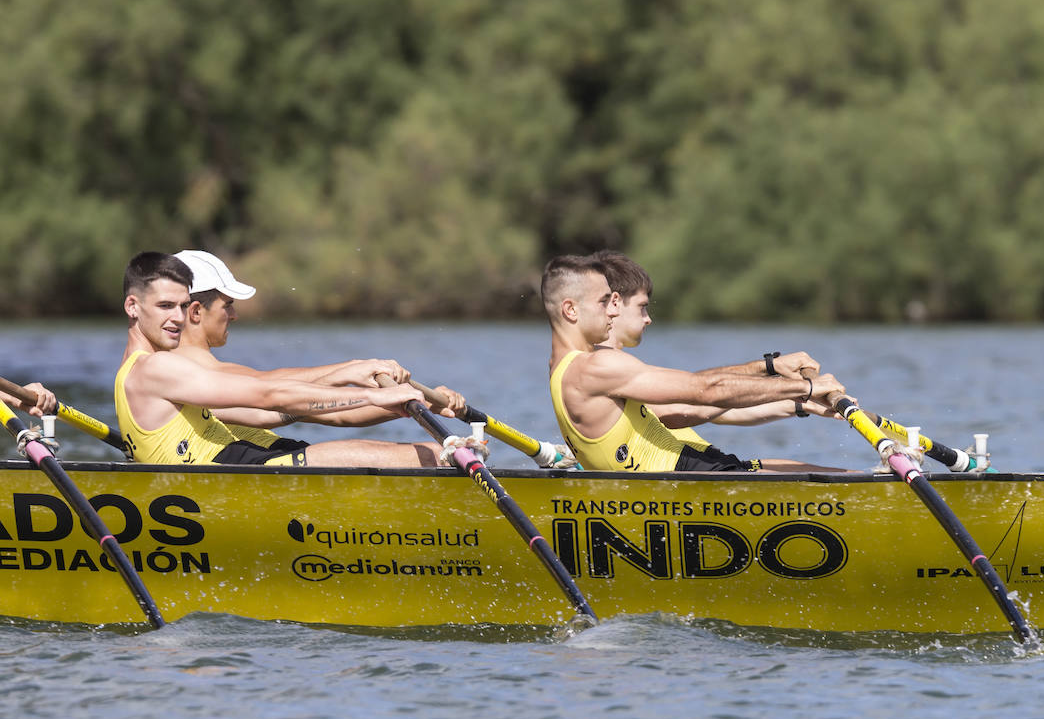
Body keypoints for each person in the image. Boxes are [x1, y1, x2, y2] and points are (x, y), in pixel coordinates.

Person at [116, 251, 477, 467]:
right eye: (166, 307)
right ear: (133, 306)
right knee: (433, 456)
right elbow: (268, 392)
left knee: (431, 453)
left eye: (179, 306)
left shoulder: (159, 369)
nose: (177, 317)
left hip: (243, 469)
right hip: (232, 482)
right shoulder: (158, 367)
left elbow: (280, 409)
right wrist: (367, 388)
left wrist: (411, 399)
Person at [543, 254, 845, 472]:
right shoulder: (595, 367)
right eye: (602, 302)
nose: (611, 311)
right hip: (681, 478)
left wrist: (777, 375)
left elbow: (698, 388)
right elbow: (705, 391)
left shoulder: (561, 367)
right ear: (570, 310)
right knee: (838, 485)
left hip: (684, 470)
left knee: (835, 477)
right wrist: (805, 388)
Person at [589, 250, 838, 431]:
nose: (648, 319)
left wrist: (800, 405)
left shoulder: (624, 365)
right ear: (615, 302)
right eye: (643, 307)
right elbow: (690, 407)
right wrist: (779, 375)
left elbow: (721, 409)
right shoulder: (605, 367)